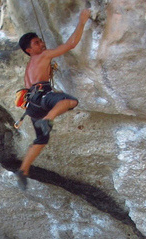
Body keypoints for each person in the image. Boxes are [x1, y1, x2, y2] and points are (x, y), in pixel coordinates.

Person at [15, 9, 92, 190]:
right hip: (42, 96)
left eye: (40, 40)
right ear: (29, 50)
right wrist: (82, 21)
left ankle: (23, 169)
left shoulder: (30, 66)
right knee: (69, 101)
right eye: (36, 42)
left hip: (32, 104)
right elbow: (71, 44)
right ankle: (47, 121)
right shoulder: (42, 56)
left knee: (41, 140)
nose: (41, 43)